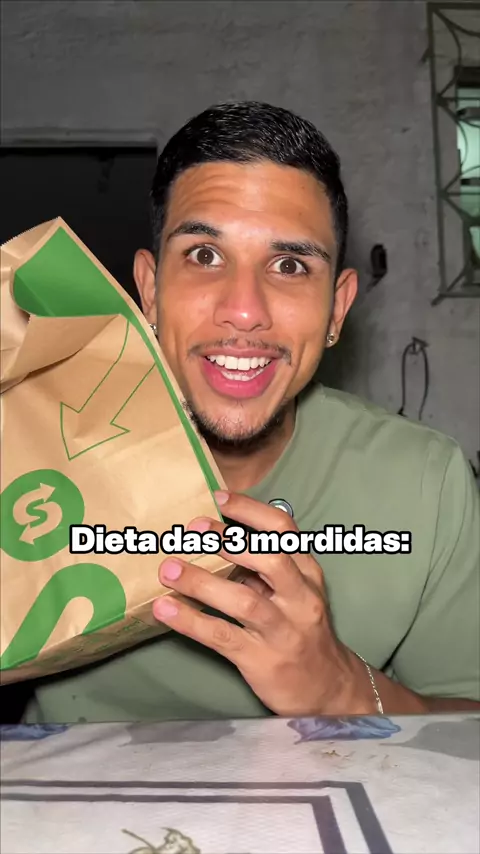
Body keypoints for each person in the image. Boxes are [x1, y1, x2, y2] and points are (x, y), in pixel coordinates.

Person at [23, 101, 479, 723]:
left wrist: (341, 690)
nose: (244, 310)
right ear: (150, 292)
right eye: (204, 256)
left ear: (337, 308)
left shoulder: (426, 482)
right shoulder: (31, 452)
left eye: (289, 265)